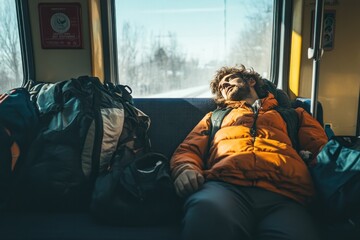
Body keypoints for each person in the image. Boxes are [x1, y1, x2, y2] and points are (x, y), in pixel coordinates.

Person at [170, 64, 328, 240]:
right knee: (205, 213)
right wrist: (185, 168)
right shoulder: (215, 117)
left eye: (230, 79)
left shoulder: (293, 115)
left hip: (285, 194)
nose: (224, 85)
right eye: (221, 86)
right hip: (225, 186)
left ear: (251, 81)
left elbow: (322, 150)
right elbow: (189, 149)